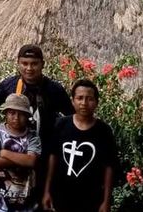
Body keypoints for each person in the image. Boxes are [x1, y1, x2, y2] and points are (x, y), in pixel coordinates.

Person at [0, 45, 74, 202]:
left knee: (39, 199)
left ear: (42, 64)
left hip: (44, 156)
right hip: (13, 154)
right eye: (24, 63)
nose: (29, 68)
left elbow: (71, 117)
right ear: (18, 64)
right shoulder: (9, 85)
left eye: (34, 63)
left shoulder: (54, 89)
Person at [43, 79, 118, 212]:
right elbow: (53, 158)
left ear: (96, 102)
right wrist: (47, 191)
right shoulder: (61, 125)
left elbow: (109, 167)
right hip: (61, 196)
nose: (84, 103)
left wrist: (106, 201)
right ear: (72, 101)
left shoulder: (104, 131)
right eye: (80, 98)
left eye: (89, 99)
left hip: (91, 199)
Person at [0, 93, 42, 212]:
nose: (16, 117)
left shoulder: (32, 136)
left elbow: (31, 161)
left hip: (25, 201)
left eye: (21, 114)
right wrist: (21, 159)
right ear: (5, 113)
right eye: (12, 113)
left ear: (27, 116)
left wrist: (5, 153)